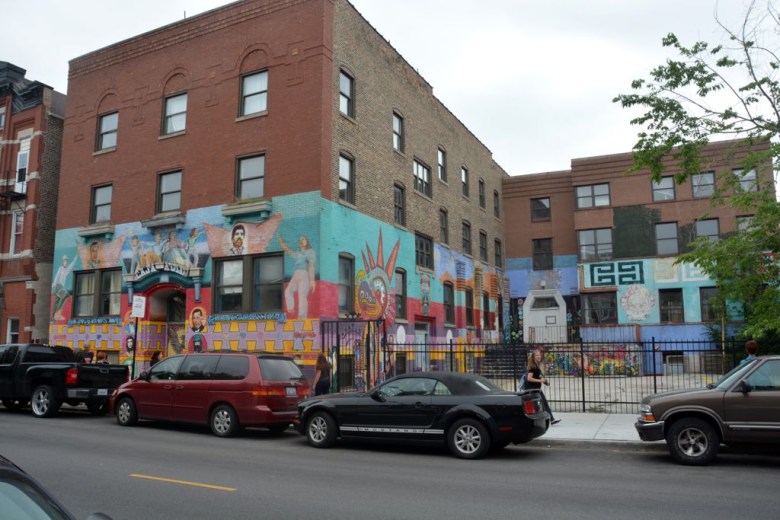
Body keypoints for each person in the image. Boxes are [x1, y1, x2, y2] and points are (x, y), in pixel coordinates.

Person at [278, 235, 316, 318]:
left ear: (307, 241)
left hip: (304, 274)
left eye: (303, 239)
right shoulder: (298, 254)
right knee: (288, 291)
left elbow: (311, 265)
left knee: (302, 296)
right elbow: (287, 250)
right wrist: (281, 242)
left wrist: (312, 280)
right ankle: (291, 307)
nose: (301, 241)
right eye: (300, 240)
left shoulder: (310, 252)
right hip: (296, 274)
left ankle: (302, 317)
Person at [524, 349, 560, 425]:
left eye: (539, 355)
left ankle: (543, 420)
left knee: (538, 405)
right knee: (543, 403)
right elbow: (529, 378)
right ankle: (551, 420)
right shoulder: (533, 366)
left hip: (534, 388)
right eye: (537, 355)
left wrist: (543, 381)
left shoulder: (536, 365)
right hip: (532, 389)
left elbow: (537, 376)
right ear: (533, 357)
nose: (539, 356)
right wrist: (540, 380)